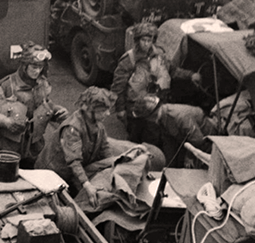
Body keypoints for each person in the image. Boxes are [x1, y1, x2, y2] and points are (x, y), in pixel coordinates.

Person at [35, 87, 164, 210]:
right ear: (90, 111)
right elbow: (74, 162)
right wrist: (87, 185)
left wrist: (114, 168)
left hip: (75, 171)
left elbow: (104, 149)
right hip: (52, 174)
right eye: (103, 110)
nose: (108, 113)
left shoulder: (98, 126)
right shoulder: (72, 129)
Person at [111, 22, 201, 145]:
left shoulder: (159, 55)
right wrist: (120, 109)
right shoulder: (129, 60)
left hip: (156, 105)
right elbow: (118, 87)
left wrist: (190, 75)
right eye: (143, 40)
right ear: (137, 40)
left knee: (153, 138)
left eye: (150, 40)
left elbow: (172, 70)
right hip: (136, 108)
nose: (147, 43)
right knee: (134, 139)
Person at [0, 43, 68, 166]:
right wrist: (6, 121)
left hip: (34, 148)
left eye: (40, 67)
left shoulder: (43, 84)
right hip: (9, 148)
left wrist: (56, 111)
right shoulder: (7, 85)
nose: (37, 71)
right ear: (24, 66)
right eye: (34, 67)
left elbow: (45, 104)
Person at [129, 95, 216, 165]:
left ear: (150, 116)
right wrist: (169, 165)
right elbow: (169, 142)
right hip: (187, 142)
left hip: (208, 144)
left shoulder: (180, 117)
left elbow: (198, 140)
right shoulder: (163, 119)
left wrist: (189, 157)